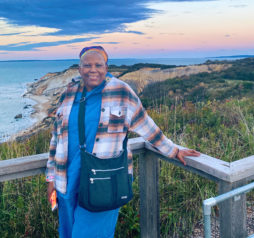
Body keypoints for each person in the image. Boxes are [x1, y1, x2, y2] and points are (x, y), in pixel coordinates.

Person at [46, 46, 200, 238]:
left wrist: (174, 150)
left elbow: (147, 127)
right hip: (66, 179)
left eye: (98, 65)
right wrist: (51, 178)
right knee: (68, 232)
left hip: (104, 179)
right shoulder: (68, 93)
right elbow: (56, 138)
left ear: (106, 67)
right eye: (87, 65)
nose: (92, 69)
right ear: (79, 68)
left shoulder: (121, 91)